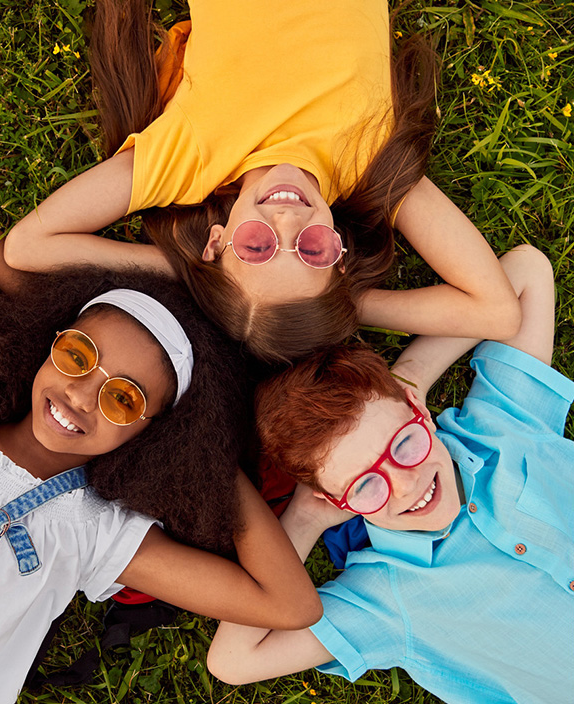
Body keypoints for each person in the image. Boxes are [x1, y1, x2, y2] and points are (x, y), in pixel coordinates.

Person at [0, 175, 322, 704]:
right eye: (77, 356)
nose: (81, 397)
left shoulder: (96, 531)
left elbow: (290, 605)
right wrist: (51, 311)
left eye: (123, 400)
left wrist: (202, 451)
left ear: (152, 432)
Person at [3, 0, 520, 362]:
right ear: (341, 252)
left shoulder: (190, 157)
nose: (289, 219)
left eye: (256, 246)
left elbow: (27, 245)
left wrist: (193, 276)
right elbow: (496, 312)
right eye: (312, 250)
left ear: (216, 240)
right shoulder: (368, 159)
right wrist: (335, 307)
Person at [206, 244, 574, 704]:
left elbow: (525, 271)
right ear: (338, 503)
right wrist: (303, 521)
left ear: (417, 409)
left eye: (404, 444)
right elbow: (234, 662)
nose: (407, 485)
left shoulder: (502, 429)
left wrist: (412, 372)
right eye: (364, 485)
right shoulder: (387, 595)